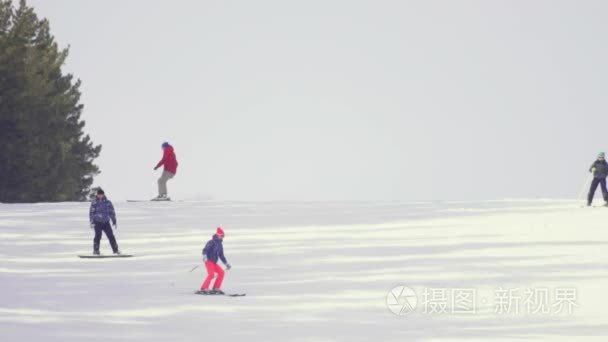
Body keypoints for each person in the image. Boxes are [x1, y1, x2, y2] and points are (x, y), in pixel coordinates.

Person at [198, 227, 231, 294]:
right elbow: (205, 250)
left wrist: (226, 263)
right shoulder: (211, 242)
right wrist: (205, 256)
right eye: (222, 235)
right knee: (211, 274)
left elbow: (221, 255)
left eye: (223, 236)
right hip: (208, 261)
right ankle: (204, 288)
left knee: (221, 272)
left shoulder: (220, 244)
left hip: (214, 262)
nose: (222, 237)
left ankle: (216, 288)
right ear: (218, 235)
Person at [89, 189, 120, 255]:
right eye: (99, 194)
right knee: (98, 236)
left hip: (106, 223)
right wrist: (92, 222)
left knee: (111, 236)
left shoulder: (108, 202)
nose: (100, 196)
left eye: (101, 194)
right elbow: (91, 212)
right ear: (97, 195)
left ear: (103, 194)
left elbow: (111, 212)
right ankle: (96, 251)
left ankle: (116, 250)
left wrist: (114, 220)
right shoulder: (94, 202)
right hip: (97, 222)